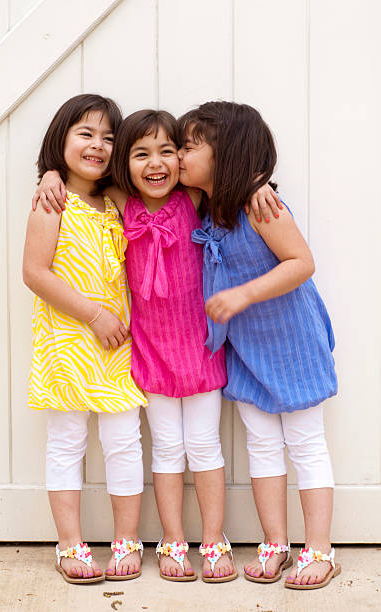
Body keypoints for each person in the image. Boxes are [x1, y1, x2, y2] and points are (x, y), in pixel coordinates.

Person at [33, 107, 281, 583]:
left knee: (205, 446)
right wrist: (48, 173)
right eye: (141, 154)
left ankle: (213, 539)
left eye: (168, 151)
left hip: (202, 347)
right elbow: (80, 180)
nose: (156, 163)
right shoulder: (119, 203)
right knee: (167, 449)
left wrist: (257, 183)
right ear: (124, 163)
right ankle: (171, 540)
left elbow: (223, 175)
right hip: (150, 351)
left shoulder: (193, 197)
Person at [177, 100, 341, 590]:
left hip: (292, 343)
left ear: (225, 153)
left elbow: (300, 262)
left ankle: (321, 551)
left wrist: (243, 293)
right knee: (263, 444)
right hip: (246, 347)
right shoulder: (207, 206)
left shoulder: (259, 204)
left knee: (306, 443)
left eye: (190, 146)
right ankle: (276, 543)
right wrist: (51, 176)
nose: (180, 156)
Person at [23, 94, 147, 584]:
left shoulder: (116, 200)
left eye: (109, 138)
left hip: (117, 342)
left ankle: (126, 539)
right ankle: (70, 543)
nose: (98, 145)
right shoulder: (51, 201)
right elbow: (34, 273)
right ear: (62, 139)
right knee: (67, 442)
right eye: (86, 134)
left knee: (123, 442)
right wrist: (49, 174)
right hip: (67, 339)